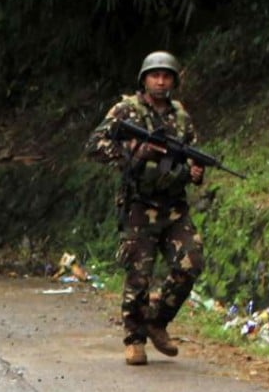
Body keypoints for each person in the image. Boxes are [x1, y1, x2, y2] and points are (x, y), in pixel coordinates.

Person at [85, 51, 205, 365]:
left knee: (191, 263)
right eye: (155, 75)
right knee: (139, 276)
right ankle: (134, 339)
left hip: (174, 207)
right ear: (144, 79)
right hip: (139, 206)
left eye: (166, 76)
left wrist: (194, 171)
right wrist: (136, 151)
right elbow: (95, 145)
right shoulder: (127, 111)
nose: (161, 81)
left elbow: (190, 151)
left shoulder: (180, 115)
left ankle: (157, 320)